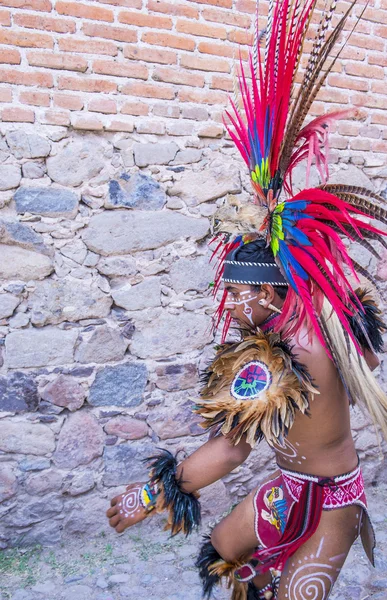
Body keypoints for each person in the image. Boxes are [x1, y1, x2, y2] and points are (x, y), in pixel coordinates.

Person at [107, 0, 387, 597]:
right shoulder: (317, 319)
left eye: (240, 292)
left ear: (271, 289)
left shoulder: (286, 351)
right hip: (287, 492)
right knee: (227, 557)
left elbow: (233, 449)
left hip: (330, 507)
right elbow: (364, 350)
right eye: (228, 291)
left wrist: (152, 492)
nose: (230, 305)